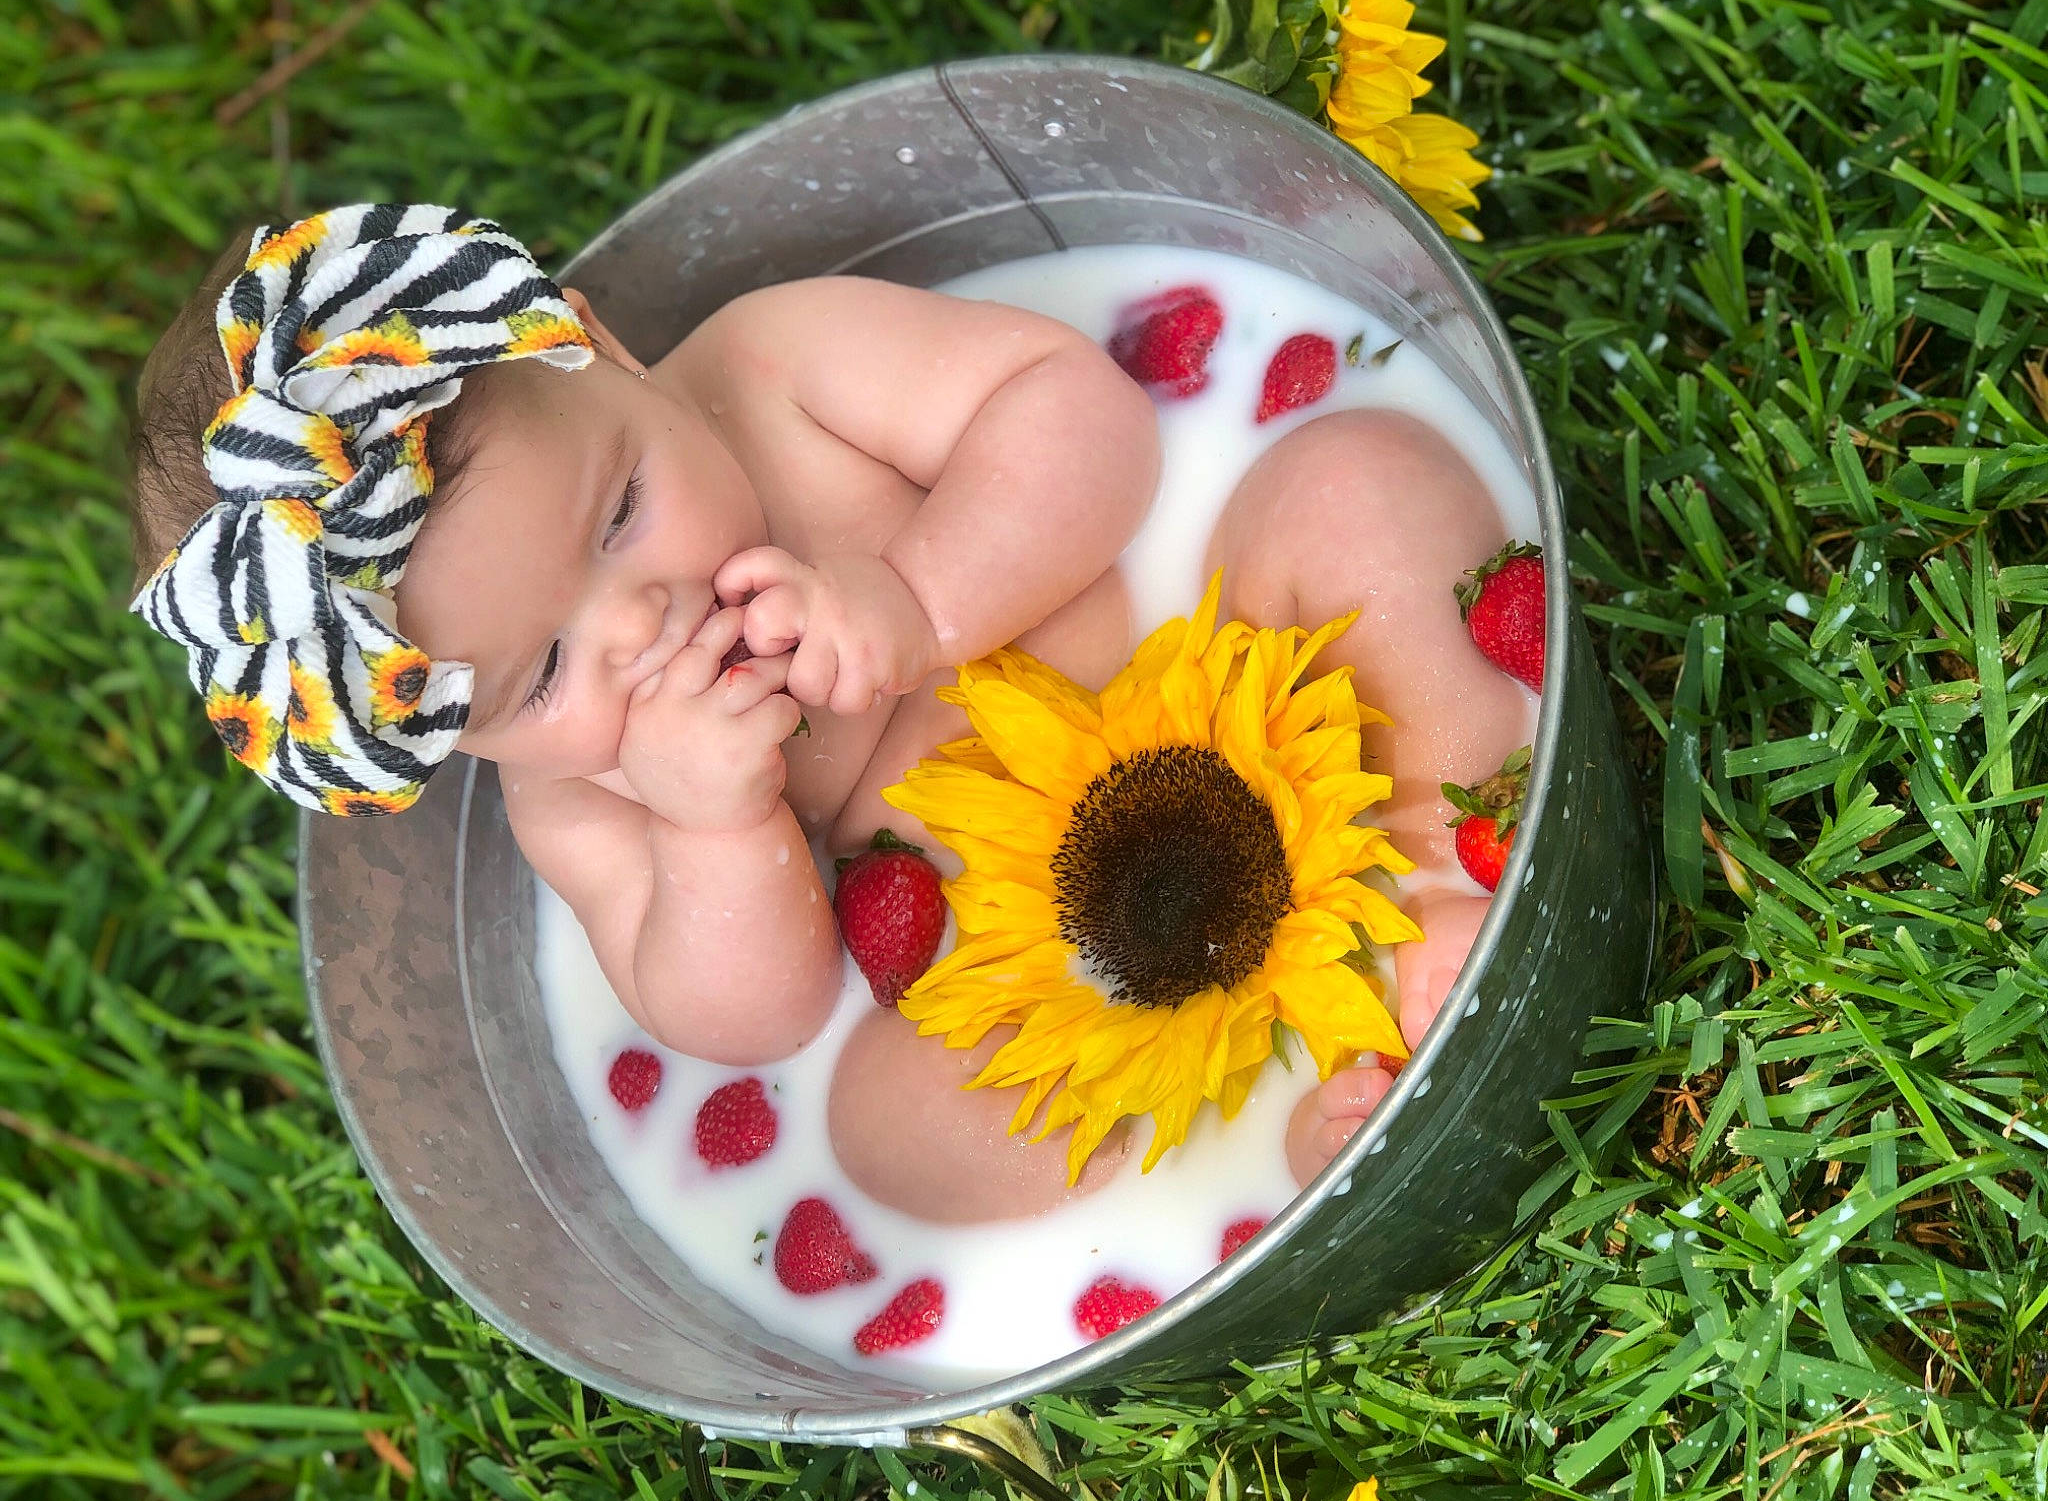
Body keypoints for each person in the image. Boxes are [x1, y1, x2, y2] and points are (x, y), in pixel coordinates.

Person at [130, 205, 1516, 1222]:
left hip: (1227, 650)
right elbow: (753, 1020)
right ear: (443, 737)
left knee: (1360, 492)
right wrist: (720, 829)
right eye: (540, 676)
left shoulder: (776, 370)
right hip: (1055, 960)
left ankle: (1442, 856)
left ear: (596, 346)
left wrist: (922, 594)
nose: (639, 623)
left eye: (621, 512)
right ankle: (1300, 1123)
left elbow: (1081, 417)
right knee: (890, 1132)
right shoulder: (582, 802)